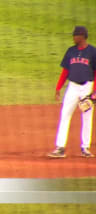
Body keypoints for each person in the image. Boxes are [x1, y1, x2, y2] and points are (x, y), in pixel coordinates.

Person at [48, 26, 96, 158]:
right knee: (65, 115)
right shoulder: (70, 51)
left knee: (87, 117)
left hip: (87, 87)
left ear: (82, 36)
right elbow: (65, 71)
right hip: (72, 87)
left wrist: (94, 92)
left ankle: (85, 148)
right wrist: (58, 88)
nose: (73, 37)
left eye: (75, 35)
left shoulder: (93, 52)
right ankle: (60, 148)